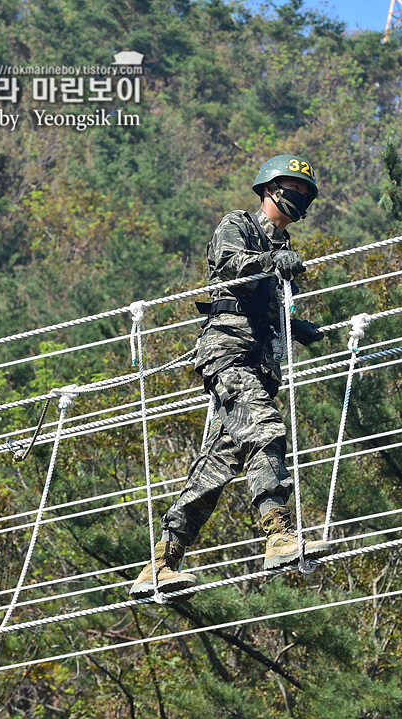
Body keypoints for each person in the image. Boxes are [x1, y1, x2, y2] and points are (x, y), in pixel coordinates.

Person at [130, 155, 331, 601]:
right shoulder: (238, 225)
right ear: (268, 189)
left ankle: (161, 561)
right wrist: (274, 261)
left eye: (304, 195)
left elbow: (270, 310)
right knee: (267, 429)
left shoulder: (284, 255)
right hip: (228, 352)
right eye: (291, 190)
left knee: (214, 470)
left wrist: (299, 329)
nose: (297, 199)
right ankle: (279, 535)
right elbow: (231, 265)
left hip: (258, 363)